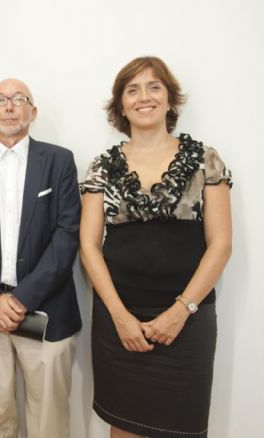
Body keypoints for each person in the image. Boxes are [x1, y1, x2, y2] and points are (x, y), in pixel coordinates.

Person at [80, 56, 232, 438]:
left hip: (188, 320)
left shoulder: (205, 160)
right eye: (132, 90)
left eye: (154, 87)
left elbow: (221, 245)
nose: (143, 97)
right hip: (119, 320)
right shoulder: (101, 166)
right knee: (124, 427)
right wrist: (119, 316)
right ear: (121, 105)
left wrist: (181, 311)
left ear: (169, 99)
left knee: (182, 427)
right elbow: (88, 246)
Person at [0, 78, 82, 438]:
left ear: (32, 112)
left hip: (46, 308)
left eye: (19, 99)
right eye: (0, 99)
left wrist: (21, 299)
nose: (9, 106)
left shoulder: (59, 161)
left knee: (49, 421)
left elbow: (67, 235)